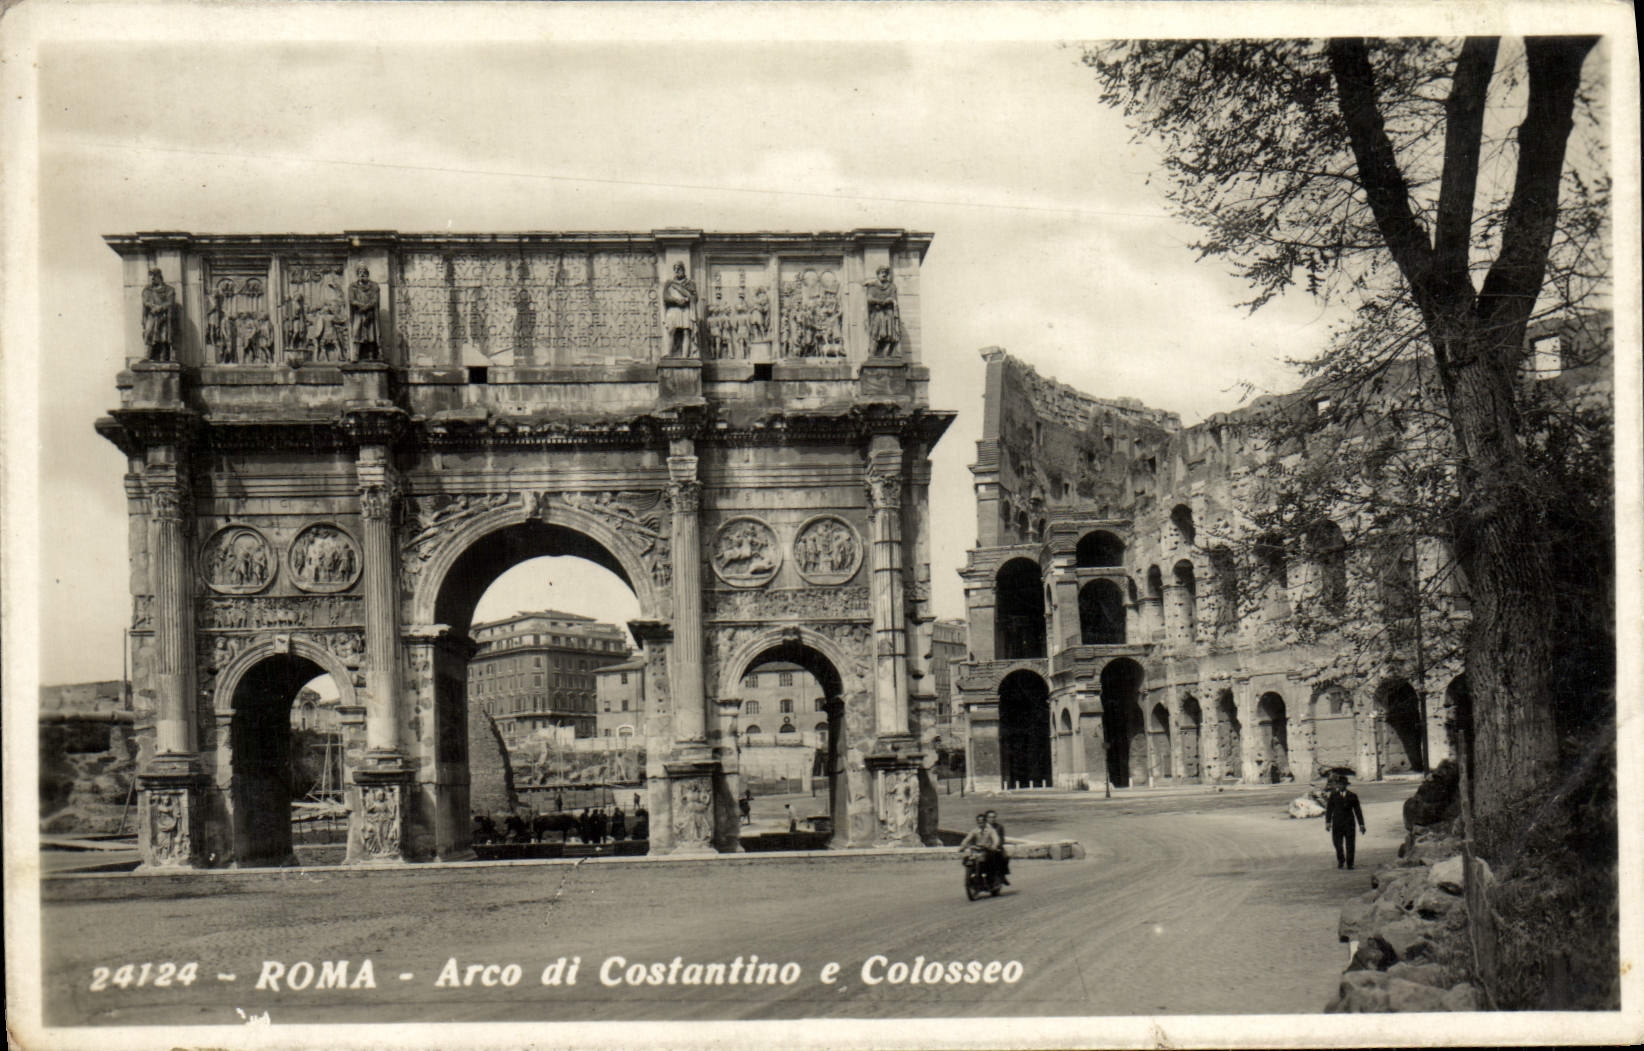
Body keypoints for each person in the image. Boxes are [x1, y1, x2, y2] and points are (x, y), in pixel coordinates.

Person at [1324, 776, 1367, 869]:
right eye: (1339, 784)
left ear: (1346, 785)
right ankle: (1341, 860)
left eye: (1343, 784)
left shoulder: (1353, 796)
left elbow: (1358, 811)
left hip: (1349, 823)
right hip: (1337, 823)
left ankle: (1350, 863)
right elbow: (1329, 810)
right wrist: (1328, 822)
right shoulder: (1333, 795)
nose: (1340, 786)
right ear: (1337, 785)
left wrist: (1361, 824)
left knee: (1350, 844)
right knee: (1337, 844)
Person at [663, 262, 699, 357]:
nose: (677, 272)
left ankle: (685, 356)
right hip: (673, 309)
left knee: (686, 331)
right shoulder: (669, 283)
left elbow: (695, 298)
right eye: (675, 270)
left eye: (679, 269)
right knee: (671, 330)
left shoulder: (690, 283)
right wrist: (676, 300)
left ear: (683, 270)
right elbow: (665, 297)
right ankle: (669, 354)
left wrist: (687, 299)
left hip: (685, 309)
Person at [141, 268, 177, 361]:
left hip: (164, 316)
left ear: (159, 277)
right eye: (151, 277)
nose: (152, 279)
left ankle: (164, 356)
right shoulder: (147, 290)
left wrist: (160, 307)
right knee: (148, 332)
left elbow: (170, 302)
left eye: (154, 277)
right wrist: (151, 305)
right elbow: (145, 301)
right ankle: (147, 355)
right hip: (152, 315)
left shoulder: (169, 289)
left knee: (164, 335)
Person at [864, 265, 901, 356]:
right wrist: (880, 301)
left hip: (888, 313)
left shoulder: (892, 287)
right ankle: (873, 354)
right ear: (878, 274)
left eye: (885, 273)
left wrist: (890, 300)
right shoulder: (873, 287)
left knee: (889, 335)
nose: (883, 274)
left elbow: (894, 299)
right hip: (877, 313)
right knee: (875, 334)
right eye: (881, 272)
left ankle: (887, 354)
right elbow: (869, 299)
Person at [348, 265, 380, 360]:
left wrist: (366, 307)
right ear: (357, 274)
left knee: (371, 333)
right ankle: (356, 354)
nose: (362, 274)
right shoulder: (353, 287)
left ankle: (371, 354)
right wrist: (360, 305)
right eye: (360, 273)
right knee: (357, 332)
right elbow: (352, 299)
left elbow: (375, 300)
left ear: (367, 274)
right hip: (358, 312)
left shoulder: (374, 286)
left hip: (370, 312)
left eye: (364, 273)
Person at [985, 810, 1011, 885]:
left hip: (996, 848)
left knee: (1004, 857)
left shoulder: (999, 827)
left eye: (993, 817)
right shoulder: (983, 827)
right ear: (986, 818)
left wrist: (997, 846)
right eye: (990, 817)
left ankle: (1002, 875)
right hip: (985, 848)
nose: (992, 819)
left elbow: (1001, 839)